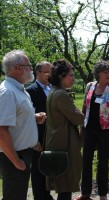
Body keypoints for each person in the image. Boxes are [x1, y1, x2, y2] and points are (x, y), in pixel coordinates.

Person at [0, 50, 47, 200]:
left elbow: (15, 117)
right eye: (29, 65)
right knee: (14, 196)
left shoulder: (19, 89)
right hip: (13, 156)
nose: (31, 68)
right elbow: (1, 131)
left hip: (24, 153)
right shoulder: (7, 92)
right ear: (18, 68)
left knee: (19, 195)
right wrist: (16, 161)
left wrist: (32, 117)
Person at [73, 60, 109, 200]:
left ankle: (102, 195)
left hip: (106, 131)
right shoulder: (90, 86)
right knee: (86, 161)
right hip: (89, 129)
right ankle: (85, 193)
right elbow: (84, 107)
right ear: (97, 73)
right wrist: (82, 127)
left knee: (103, 163)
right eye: (105, 71)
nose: (108, 74)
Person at [45, 59, 84, 200]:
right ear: (61, 76)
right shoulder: (61, 95)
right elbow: (78, 118)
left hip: (56, 141)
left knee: (62, 186)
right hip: (64, 144)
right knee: (65, 187)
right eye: (71, 75)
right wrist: (79, 111)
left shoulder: (53, 91)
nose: (74, 78)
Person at [26, 61, 54, 200]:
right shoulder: (30, 91)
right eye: (47, 71)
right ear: (38, 73)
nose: (50, 74)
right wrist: (34, 139)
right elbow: (28, 118)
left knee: (48, 167)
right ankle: (39, 197)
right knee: (37, 170)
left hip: (51, 136)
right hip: (38, 137)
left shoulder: (53, 89)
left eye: (51, 71)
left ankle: (47, 195)